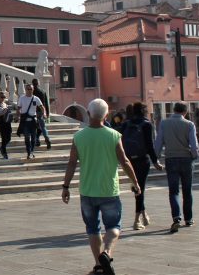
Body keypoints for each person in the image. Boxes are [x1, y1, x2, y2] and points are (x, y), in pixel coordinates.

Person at [62, 98, 141, 275]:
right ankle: (107, 252)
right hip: (108, 190)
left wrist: (65, 186)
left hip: (87, 190)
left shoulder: (79, 137)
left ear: (88, 114)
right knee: (113, 226)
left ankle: (98, 264)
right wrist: (134, 182)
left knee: (92, 228)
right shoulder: (113, 135)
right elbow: (125, 161)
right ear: (106, 115)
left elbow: (71, 163)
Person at [154, 102, 199, 233]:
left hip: (170, 159)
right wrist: (194, 156)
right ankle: (189, 218)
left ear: (173, 110)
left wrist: (156, 158)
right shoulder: (189, 124)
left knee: (173, 191)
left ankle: (176, 218)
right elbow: (194, 145)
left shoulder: (164, 123)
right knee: (187, 190)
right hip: (186, 159)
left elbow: (158, 142)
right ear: (185, 112)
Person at [120, 102, 164, 230]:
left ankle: (144, 215)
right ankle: (136, 220)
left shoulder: (126, 124)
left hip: (128, 160)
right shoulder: (146, 124)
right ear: (144, 111)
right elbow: (149, 144)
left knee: (136, 186)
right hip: (142, 159)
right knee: (140, 188)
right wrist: (155, 161)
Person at [17, 83, 44, 159]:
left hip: (33, 121)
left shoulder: (36, 98)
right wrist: (17, 115)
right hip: (25, 121)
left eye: (31, 89)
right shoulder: (22, 98)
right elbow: (19, 108)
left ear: (33, 90)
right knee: (26, 137)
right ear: (25, 90)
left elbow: (42, 107)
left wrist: (43, 114)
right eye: (28, 89)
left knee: (33, 137)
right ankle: (29, 152)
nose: (29, 91)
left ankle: (32, 151)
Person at [32, 78, 51, 149]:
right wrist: (47, 113)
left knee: (34, 127)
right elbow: (46, 103)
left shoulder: (32, 92)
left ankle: (37, 140)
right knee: (42, 127)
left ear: (33, 84)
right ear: (38, 83)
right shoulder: (43, 91)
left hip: (33, 112)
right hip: (41, 112)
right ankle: (47, 138)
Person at [0, 92, 12, 159]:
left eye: (4, 97)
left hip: (7, 123)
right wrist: (2, 113)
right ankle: (4, 153)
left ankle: (2, 147)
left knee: (9, 138)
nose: (3, 98)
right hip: (1, 123)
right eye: (1, 97)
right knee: (3, 138)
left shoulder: (5, 104)